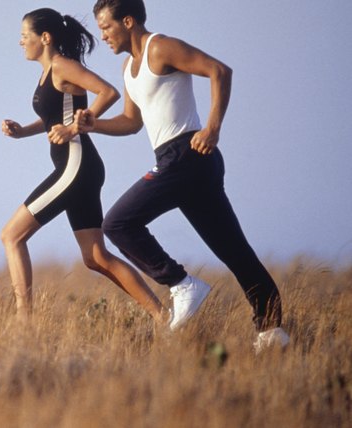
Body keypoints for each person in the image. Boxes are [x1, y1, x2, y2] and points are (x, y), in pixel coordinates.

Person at [69, 0, 289, 351]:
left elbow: (220, 71)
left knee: (117, 223)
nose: (103, 36)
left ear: (128, 21)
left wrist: (213, 128)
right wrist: (95, 125)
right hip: (181, 161)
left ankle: (181, 283)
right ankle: (271, 332)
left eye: (106, 27)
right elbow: (131, 122)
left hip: (188, 154)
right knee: (233, 250)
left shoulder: (161, 47)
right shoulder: (129, 68)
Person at [0, 8, 166, 323]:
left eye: (25, 35)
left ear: (44, 38)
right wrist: (23, 130)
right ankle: (162, 318)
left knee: (11, 236)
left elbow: (109, 92)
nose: (21, 42)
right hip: (81, 169)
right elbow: (54, 119)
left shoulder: (63, 66)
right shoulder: (49, 71)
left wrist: (76, 128)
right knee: (95, 257)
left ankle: (24, 323)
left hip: (75, 167)